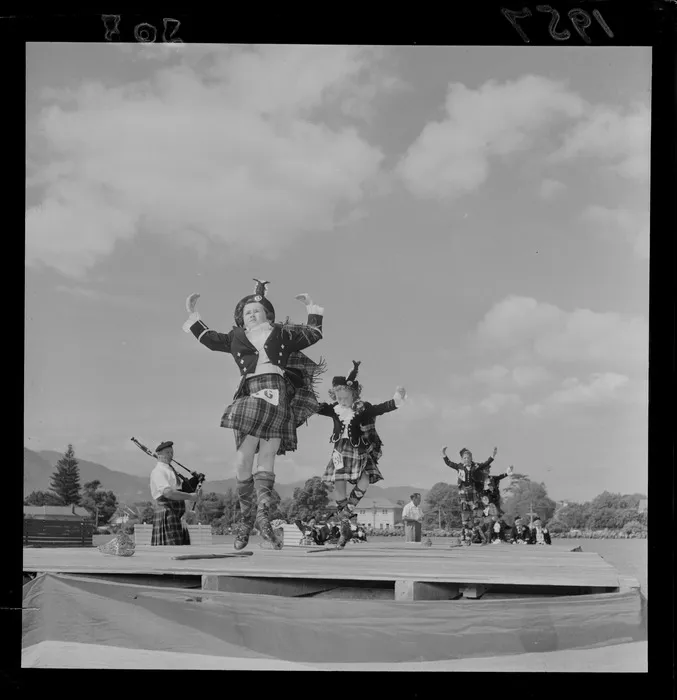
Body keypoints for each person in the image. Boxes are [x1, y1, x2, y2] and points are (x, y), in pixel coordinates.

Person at [183, 279, 326, 551]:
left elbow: (314, 334)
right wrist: (193, 315)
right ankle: (247, 519)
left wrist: (312, 308)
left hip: (278, 392)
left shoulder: (282, 333)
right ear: (241, 318)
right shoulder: (236, 337)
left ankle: (261, 518)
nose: (252, 314)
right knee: (242, 458)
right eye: (247, 311)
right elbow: (211, 341)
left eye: (257, 310)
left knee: (268, 455)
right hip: (251, 392)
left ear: (267, 315)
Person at [315, 360, 406, 548]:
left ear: (353, 393)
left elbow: (381, 408)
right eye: (337, 394)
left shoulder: (362, 408)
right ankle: (345, 526)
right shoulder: (334, 409)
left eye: (343, 394)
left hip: (359, 450)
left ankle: (345, 515)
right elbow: (315, 406)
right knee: (337, 487)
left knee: (364, 479)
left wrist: (397, 399)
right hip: (340, 451)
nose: (339, 398)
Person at [149, 441, 199, 545]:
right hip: (167, 514)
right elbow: (169, 493)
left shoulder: (171, 470)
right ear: (159, 454)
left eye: (172, 452)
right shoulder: (158, 471)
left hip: (177, 516)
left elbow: (179, 490)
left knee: (180, 550)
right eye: (167, 452)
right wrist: (190, 496)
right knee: (171, 551)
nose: (170, 455)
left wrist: (194, 481)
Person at [441, 445, 498, 527]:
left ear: (471, 458)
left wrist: (493, 455)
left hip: (473, 489)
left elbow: (486, 463)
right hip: (463, 490)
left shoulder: (476, 466)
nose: (466, 459)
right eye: (465, 458)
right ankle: (465, 530)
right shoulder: (459, 466)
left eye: (468, 458)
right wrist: (443, 453)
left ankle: (476, 526)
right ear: (462, 459)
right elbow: (449, 463)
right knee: (465, 509)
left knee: (477, 509)